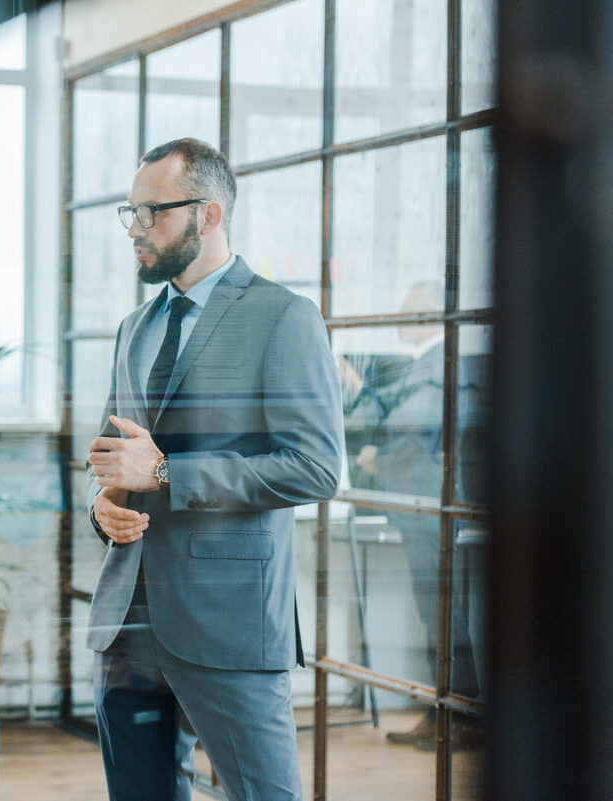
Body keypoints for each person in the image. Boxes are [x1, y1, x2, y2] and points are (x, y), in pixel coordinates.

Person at [85, 138, 344, 801]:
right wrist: (103, 501)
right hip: (127, 621)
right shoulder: (133, 327)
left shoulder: (283, 317)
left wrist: (168, 473)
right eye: (131, 213)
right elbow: (116, 454)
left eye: (153, 213)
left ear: (210, 213)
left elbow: (315, 467)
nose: (136, 230)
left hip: (228, 624)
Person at [347, 281, 481, 750]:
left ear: (426, 318)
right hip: (422, 507)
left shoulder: (441, 365)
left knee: (442, 614)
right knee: (437, 613)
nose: (398, 319)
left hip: (428, 507)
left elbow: (408, 434)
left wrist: (373, 460)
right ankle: (444, 713)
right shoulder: (429, 366)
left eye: (406, 312)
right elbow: (392, 413)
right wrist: (357, 388)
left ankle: (458, 717)